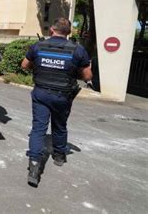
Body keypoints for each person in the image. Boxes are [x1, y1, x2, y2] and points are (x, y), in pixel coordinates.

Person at [21, 18, 93, 187]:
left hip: (40, 93)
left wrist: (38, 65)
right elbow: (88, 76)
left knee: (38, 129)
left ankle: (34, 166)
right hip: (63, 96)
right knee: (60, 126)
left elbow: (24, 65)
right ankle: (59, 156)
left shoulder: (38, 46)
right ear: (68, 32)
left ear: (52, 30)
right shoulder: (78, 50)